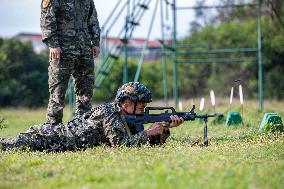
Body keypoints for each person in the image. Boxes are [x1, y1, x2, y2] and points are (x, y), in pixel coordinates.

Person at [0, 82, 184, 151]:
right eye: (141, 105)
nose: (143, 109)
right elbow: (121, 145)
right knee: (9, 145)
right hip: (51, 138)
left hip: (60, 141)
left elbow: (143, 145)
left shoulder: (129, 116)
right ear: (126, 103)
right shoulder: (110, 113)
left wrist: (164, 130)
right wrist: (148, 132)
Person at [41, 0, 101, 124]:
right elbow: (47, 19)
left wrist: (95, 42)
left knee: (86, 88)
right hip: (62, 48)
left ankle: (83, 124)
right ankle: (53, 127)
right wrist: (53, 44)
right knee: (58, 89)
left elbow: (92, 19)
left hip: (84, 47)